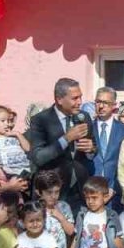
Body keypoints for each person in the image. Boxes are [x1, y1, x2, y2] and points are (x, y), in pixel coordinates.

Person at [28, 78, 95, 208]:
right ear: (59, 99)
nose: (80, 102)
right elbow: (38, 157)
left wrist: (91, 149)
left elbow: (93, 146)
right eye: (74, 98)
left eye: (80, 97)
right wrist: (66, 139)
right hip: (52, 191)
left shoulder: (84, 116)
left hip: (80, 189)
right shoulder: (40, 120)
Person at [89, 87, 124, 204]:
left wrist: (114, 187)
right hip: (91, 192)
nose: (101, 106)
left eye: (106, 103)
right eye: (98, 102)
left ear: (114, 105)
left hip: (116, 193)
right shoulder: (87, 128)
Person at [0, 106, 32, 201]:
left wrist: (18, 134)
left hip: (23, 170)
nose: (7, 124)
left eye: (9, 121)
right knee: (12, 193)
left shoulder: (14, 137)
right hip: (6, 171)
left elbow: (28, 148)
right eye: (3, 121)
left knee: (20, 189)